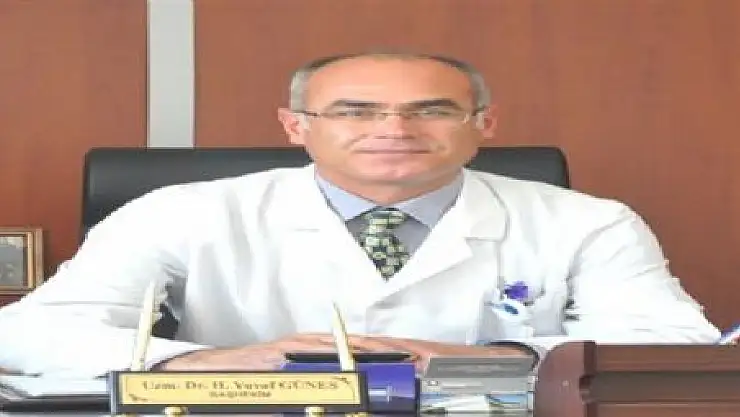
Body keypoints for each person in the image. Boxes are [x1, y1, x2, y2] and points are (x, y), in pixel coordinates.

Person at [0, 52, 720, 378]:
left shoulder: (589, 221)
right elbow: (28, 333)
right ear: (296, 126)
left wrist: (491, 358)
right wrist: (203, 358)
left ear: (484, 124)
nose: (394, 130)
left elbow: (673, 345)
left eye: (430, 110)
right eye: (355, 111)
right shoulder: (178, 212)